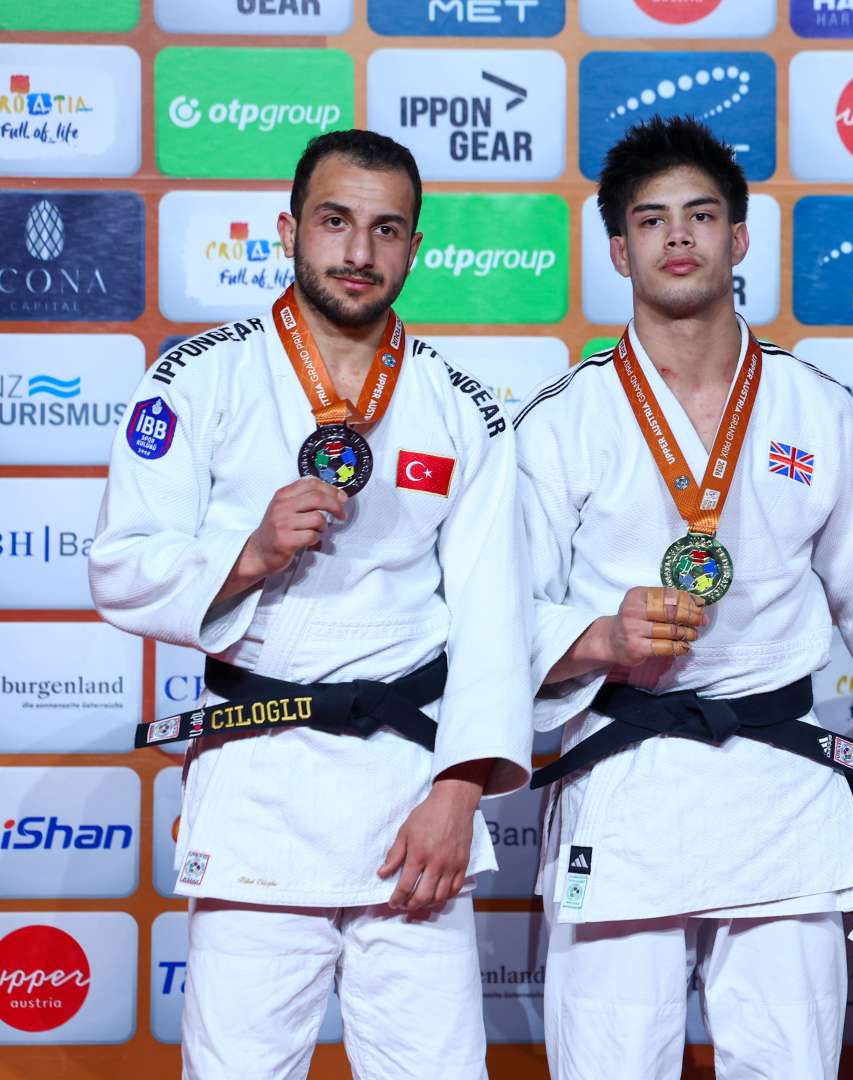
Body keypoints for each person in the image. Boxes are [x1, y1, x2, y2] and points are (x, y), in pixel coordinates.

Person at [89, 129, 532, 1079]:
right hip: (259, 790)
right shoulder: (199, 377)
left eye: (387, 230)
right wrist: (243, 555)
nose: (360, 253)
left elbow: (498, 620)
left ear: (417, 248)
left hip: (413, 796)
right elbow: (120, 564)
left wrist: (459, 793)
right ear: (290, 229)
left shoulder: (461, 406)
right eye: (336, 222)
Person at [514, 116, 853, 1079]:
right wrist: (601, 636)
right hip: (625, 773)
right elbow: (503, 615)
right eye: (651, 220)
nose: (677, 236)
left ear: (740, 238)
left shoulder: (820, 408)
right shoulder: (562, 423)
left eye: (701, 215)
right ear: (618, 249)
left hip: (782, 779)